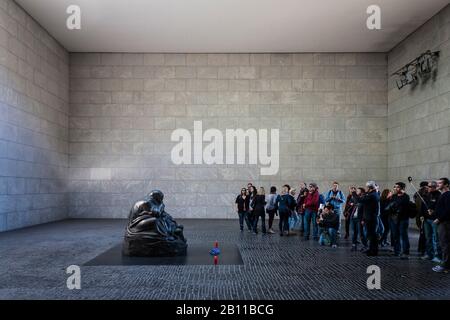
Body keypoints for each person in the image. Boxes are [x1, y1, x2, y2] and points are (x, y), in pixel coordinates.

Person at [387, 182, 411, 259]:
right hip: (393, 219)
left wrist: (395, 204)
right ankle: (397, 251)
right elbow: (390, 206)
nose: (395, 188)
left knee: (404, 236)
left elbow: (403, 204)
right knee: (395, 236)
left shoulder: (406, 196)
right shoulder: (393, 196)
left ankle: (405, 253)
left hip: (403, 219)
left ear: (402, 188)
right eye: (395, 187)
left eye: (397, 187)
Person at [432, 177, 450, 273]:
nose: (437, 184)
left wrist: (439, 219)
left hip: (445, 223)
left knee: (445, 244)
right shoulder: (443, 195)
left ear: (446, 184)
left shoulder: (447, 195)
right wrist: (434, 213)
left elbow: (448, 210)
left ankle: (445, 266)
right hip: (443, 222)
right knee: (444, 244)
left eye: (440, 183)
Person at [422, 181, 442, 263]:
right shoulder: (427, 195)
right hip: (426, 219)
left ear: (434, 187)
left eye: (430, 186)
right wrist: (422, 215)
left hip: (434, 220)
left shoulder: (439, 195)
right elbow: (423, 206)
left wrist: (434, 211)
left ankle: (437, 256)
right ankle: (429, 254)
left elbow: (440, 207)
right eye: (428, 186)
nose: (428, 188)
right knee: (428, 238)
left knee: (436, 238)